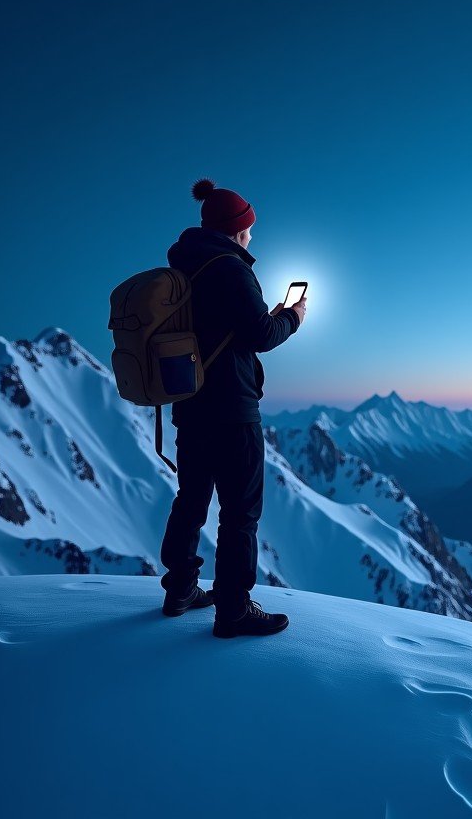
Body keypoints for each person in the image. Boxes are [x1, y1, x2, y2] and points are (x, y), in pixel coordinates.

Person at [159, 178, 306, 638]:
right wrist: (292, 317)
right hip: (232, 407)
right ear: (238, 229)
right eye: (249, 228)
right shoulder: (230, 268)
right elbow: (259, 335)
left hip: (190, 403)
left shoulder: (184, 265)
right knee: (240, 512)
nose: (252, 235)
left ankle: (180, 587)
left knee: (192, 498)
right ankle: (234, 609)